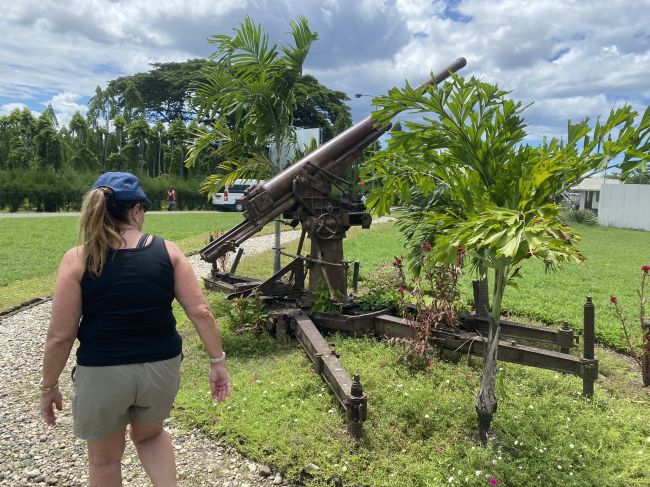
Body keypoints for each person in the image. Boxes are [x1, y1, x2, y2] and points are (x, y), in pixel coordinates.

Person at [39, 172, 230, 486]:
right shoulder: (168, 252)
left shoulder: (77, 259)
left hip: (102, 374)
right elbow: (201, 311)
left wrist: (48, 386)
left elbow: (61, 335)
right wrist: (217, 361)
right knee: (150, 437)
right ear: (137, 210)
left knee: (105, 461)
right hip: (161, 369)